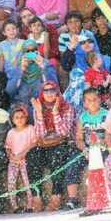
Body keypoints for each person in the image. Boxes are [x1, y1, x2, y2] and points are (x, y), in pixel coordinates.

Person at [29, 81, 83, 211]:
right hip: (45, 144)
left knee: (57, 156)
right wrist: (40, 114)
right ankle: (36, 195)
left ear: (57, 92)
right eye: (45, 91)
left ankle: (56, 194)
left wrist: (55, 112)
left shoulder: (67, 107)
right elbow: (40, 134)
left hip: (64, 143)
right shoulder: (38, 107)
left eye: (52, 90)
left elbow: (63, 133)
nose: (49, 93)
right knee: (32, 156)